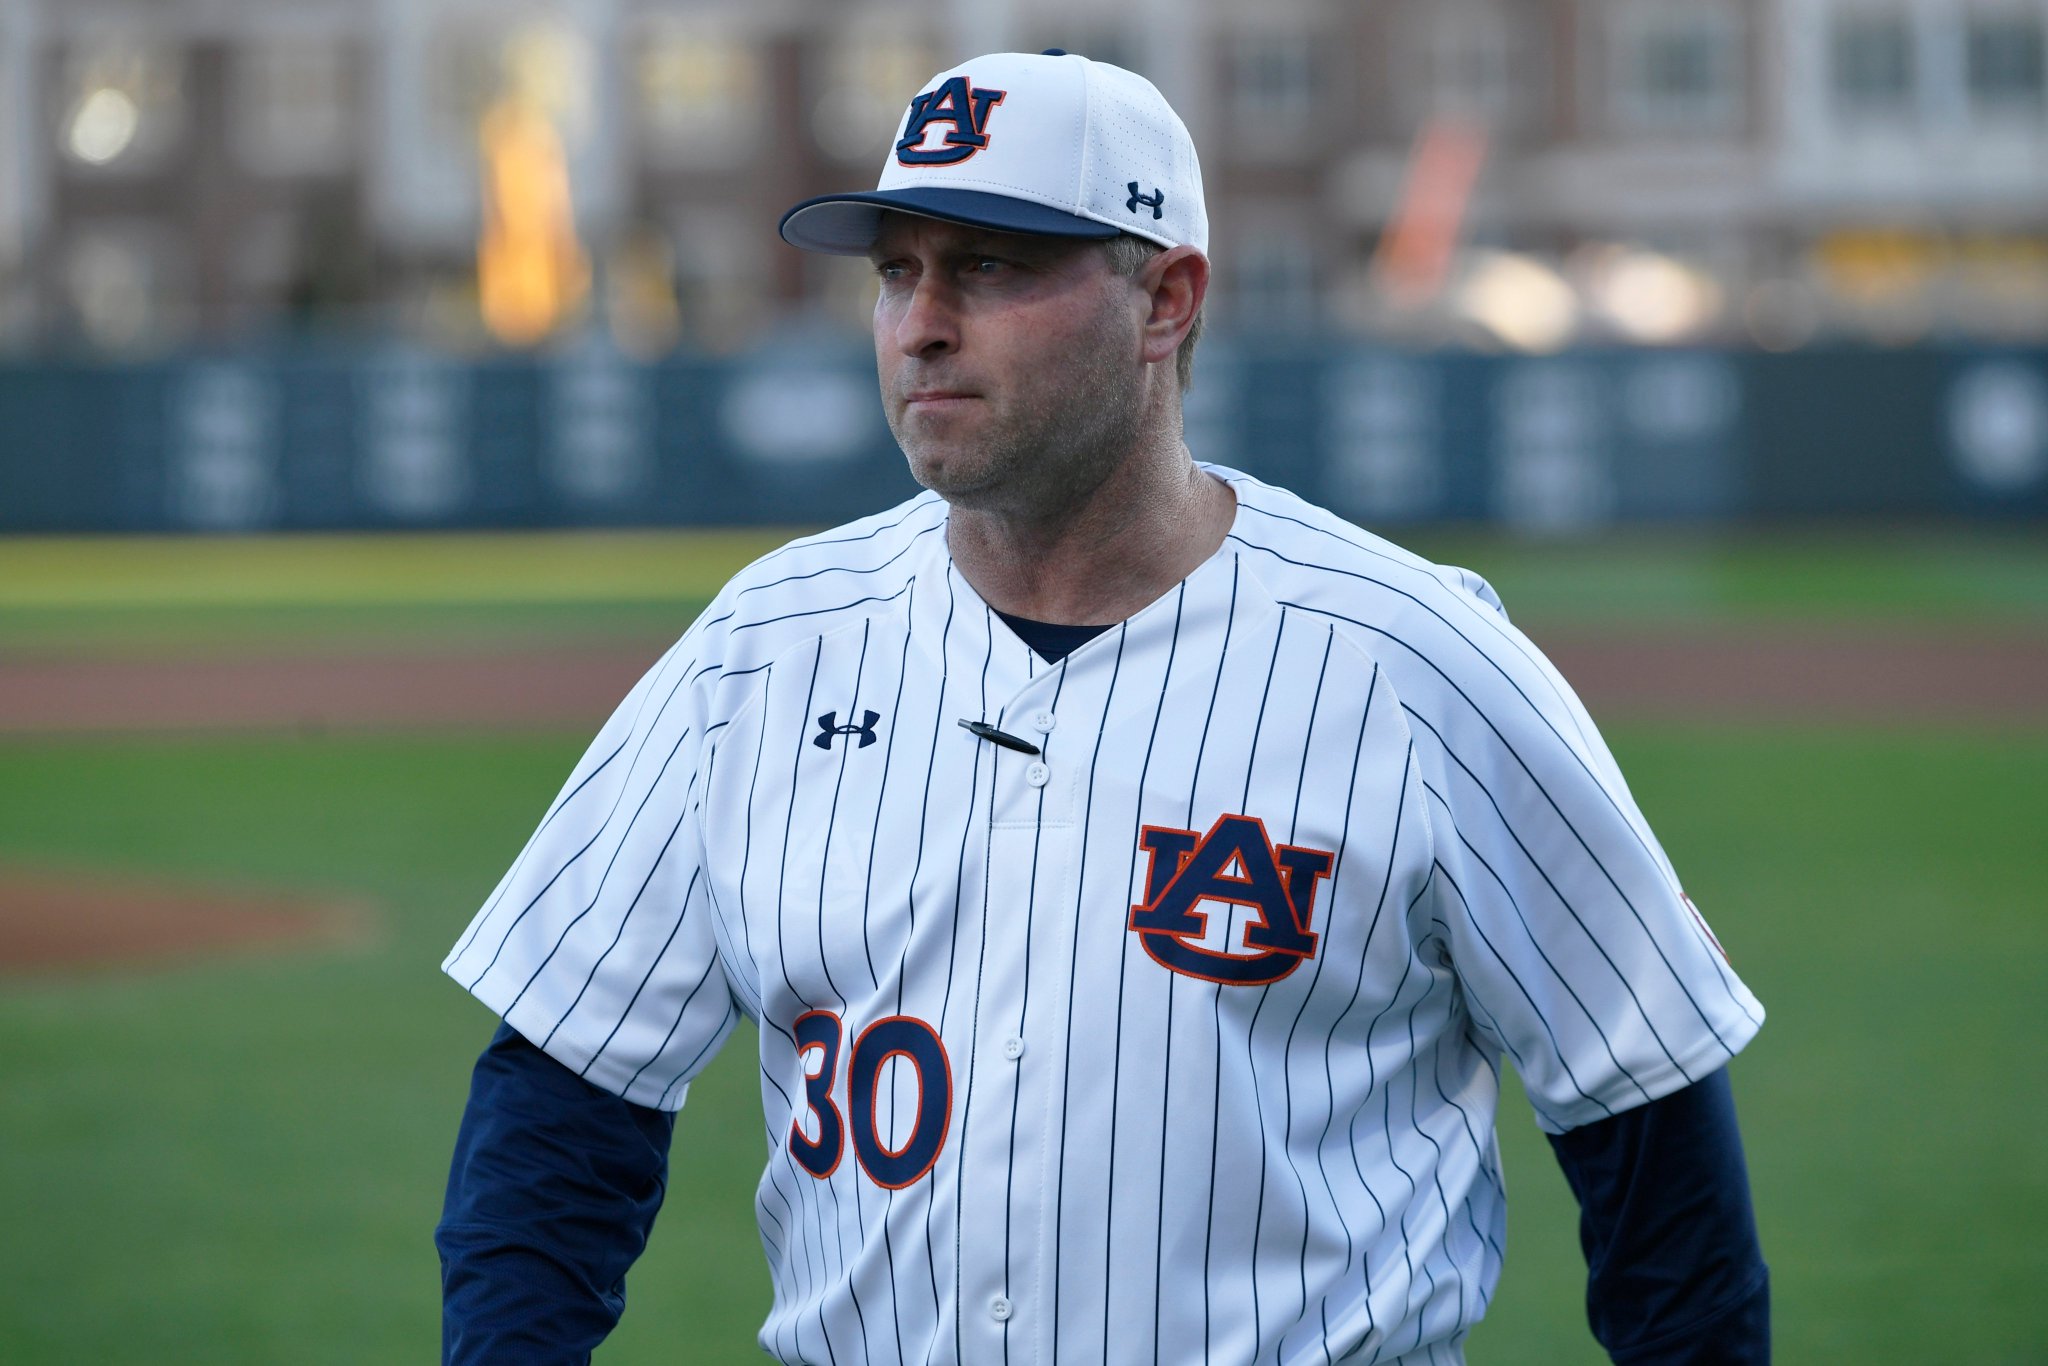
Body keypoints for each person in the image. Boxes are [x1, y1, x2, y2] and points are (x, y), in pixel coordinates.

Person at [437, 50, 1768, 1365]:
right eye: (898, 270)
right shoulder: (764, 649)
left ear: (1166, 299)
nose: (921, 322)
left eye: (992, 267)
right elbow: (565, 1096)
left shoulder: (1414, 663)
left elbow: (1649, 1130)